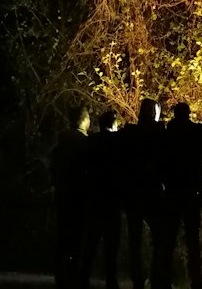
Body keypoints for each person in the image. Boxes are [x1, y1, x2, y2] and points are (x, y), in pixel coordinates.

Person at [157, 101, 202, 289]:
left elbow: (161, 161)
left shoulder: (168, 134)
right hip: (191, 191)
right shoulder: (194, 132)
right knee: (192, 240)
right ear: (187, 114)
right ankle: (196, 282)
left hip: (172, 191)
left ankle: (164, 280)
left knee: (168, 239)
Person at [122, 97, 166, 289]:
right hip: (152, 191)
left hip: (133, 191)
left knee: (135, 240)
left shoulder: (130, 132)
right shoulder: (158, 131)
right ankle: (157, 279)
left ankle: (137, 280)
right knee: (159, 237)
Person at [50, 103, 92, 289]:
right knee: (77, 237)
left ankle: (61, 276)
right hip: (80, 197)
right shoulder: (85, 144)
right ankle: (74, 275)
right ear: (84, 120)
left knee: (63, 237)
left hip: (62, 195)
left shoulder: (60, 144)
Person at [81, 107, 123, 289]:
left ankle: (83, 276)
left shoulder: (92, 141)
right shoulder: (118, 143)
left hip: (95, 197)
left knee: (92, 239)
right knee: (111, 243)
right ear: (113, 123)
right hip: (112, 198)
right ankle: (111, 279)